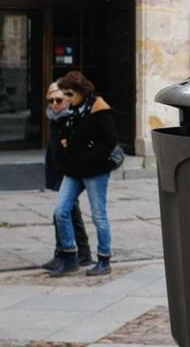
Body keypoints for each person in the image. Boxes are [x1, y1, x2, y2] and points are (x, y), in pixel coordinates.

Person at [50, 71, 119, 277]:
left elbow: (110, 140)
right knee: (61, 211)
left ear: (81, 91)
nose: (67, 98)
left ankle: (104, 259)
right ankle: (70, 255)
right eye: (65, 95)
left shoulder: (99, 109)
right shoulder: (71, 110)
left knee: (98, 215)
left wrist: (90, 155)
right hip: (73, 170)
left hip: (94, 171)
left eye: (70, 94)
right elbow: (64, 133)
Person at [42, 81, 93, 270]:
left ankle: (65, 253)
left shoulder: (69, 118)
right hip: (58, 169)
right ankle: (80, 252)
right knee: (69, 212)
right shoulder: (55, 117)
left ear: (66, 99)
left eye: (58, 100)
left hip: (70, 171)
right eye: (50, 100)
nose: (54, 104)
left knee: (61, 213)